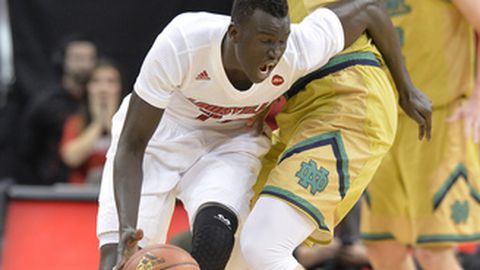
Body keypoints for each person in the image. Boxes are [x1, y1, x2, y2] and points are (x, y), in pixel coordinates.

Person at [96, 0, 430, 270]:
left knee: (220, 245)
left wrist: (407, 88)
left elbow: (368, 8)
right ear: (235, 33)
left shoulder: (296, 51)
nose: (274, 54)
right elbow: (133, 144)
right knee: (118, 259)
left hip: (229, 143)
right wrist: (127, 226)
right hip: (159, 136)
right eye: (266, 42)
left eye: (280, 43)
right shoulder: (183, 41)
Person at [238, 0, 432, 269]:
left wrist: (407, 89)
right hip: (301, 109)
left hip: (349, 99)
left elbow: (370, 7)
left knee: (264, 246)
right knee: (235, 225)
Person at [360, 1, 480, 270]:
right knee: (382, 247)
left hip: (440, 117)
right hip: (383, 117)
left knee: (433, 250)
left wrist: (478, 98)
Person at [16, 34, 98, 185]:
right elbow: (27, 149)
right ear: (63, 60)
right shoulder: (47, 104)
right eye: (79, 58)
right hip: (54, 187)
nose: (85, 65)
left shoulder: (97, 102)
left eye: (90, 58)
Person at [60, 60, 123, 184]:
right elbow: (70, 158)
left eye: (110, 82)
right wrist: (98, 123)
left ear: (119, 88)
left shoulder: (130, 122)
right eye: (96, 81)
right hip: (82, 196)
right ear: (88, 88)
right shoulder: (76, 121)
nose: (103, 89)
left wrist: (111, 122)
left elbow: (135, 157)